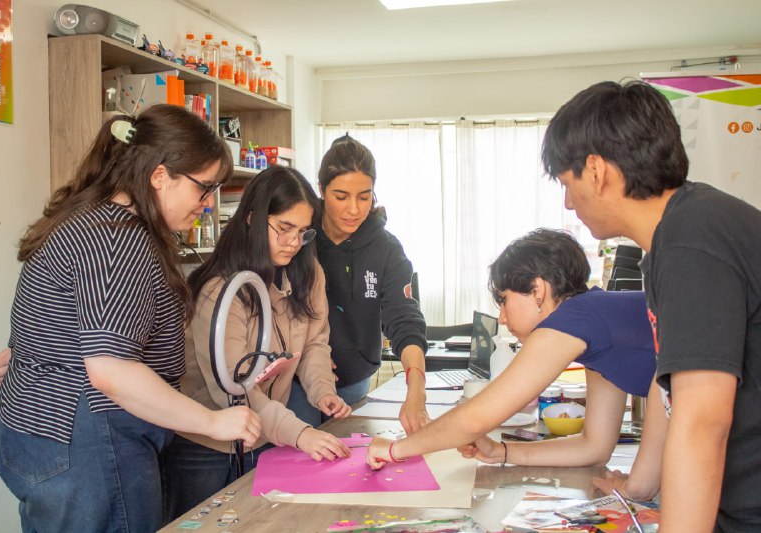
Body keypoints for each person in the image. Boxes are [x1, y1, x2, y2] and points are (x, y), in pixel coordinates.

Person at [0, 105, 261, 533]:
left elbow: (65, 318)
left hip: (40, 432)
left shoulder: (88, 218)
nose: (208, 205)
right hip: (89, 443)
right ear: (159, 176)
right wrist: (212, 421)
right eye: (203, 189)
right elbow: (112, 371)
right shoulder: (120, 240)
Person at [542, 80, 761, 532]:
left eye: (568, 183)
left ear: (597, 170)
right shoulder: (683, 231)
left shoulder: (691, 242)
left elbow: (703, 421)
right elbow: (674, 399)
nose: (568, 201)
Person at [365, 228, 656, 470]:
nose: (502, 318)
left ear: (538, 291)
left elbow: (476, 418)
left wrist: (394, 449)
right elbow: (594, 447)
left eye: (504, 300)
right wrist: (501, 452)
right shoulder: (594, 325)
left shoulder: (574, 321)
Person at [160, 166, 353, 522]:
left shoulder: (307, 274)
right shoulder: (221, 290)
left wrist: (322, 390)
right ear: (251, 219)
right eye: (283, 229)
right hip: (203, 447)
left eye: (303, 233)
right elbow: (233, 391)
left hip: (262, 437)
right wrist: (301, 434)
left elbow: (314, 345)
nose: (294, 243)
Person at [286, 135, 429, 434]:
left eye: (364, 197)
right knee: (298, 466)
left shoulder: (386, 250)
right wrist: (310, 359)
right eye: (341, 197)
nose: (354, 209)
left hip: (353, 379)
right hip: (295, 380)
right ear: (322, 190)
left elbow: (404, 318)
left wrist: (416, 389)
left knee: (348, 467)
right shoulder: (299, 238)